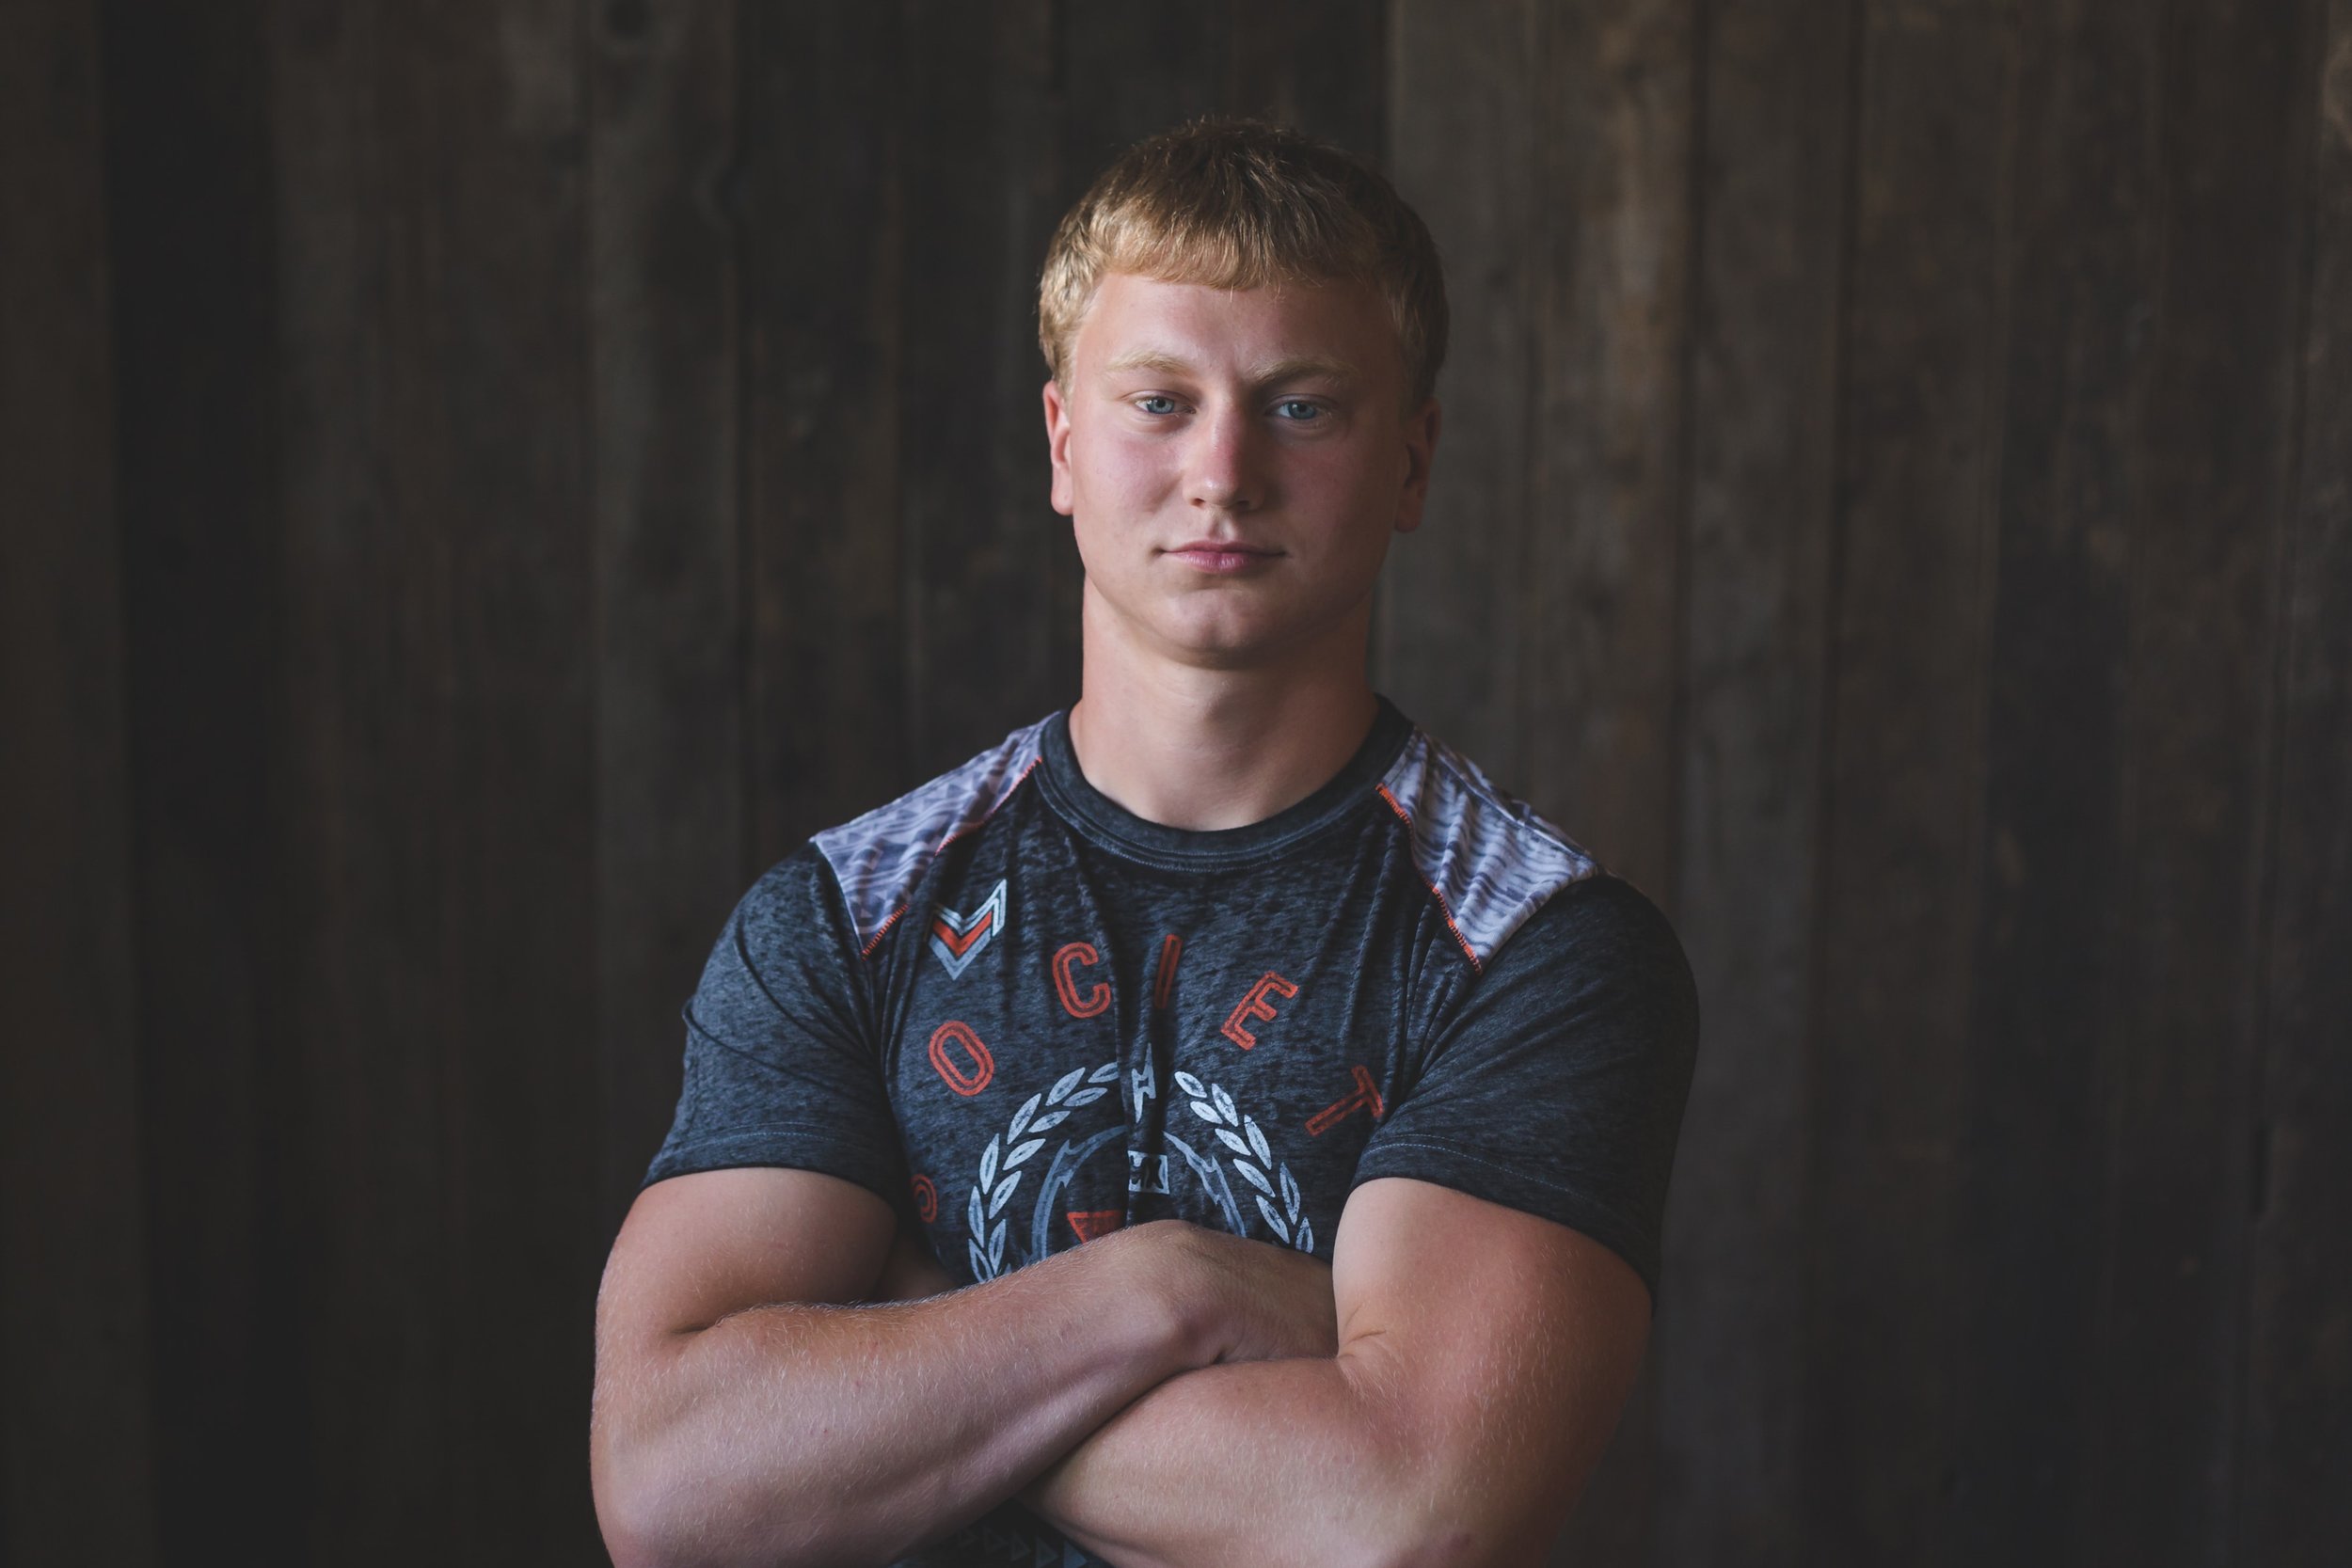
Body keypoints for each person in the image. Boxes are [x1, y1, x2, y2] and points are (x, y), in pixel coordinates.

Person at [589, 118, 1699, 1568]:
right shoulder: (843, 916)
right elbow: (677, 1485)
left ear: (1415, 462)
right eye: (1160, 402)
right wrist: (1170, 1292)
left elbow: (1406, 1519)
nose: (1223, 471)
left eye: (1303, 406)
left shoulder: (1538, 953)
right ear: (1062, 443)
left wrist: (912, 1344)